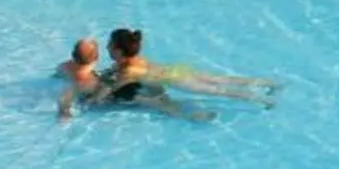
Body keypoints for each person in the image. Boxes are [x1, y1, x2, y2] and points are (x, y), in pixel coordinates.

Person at [106, 26, 278, 109]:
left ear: (119, 51)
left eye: (109, 45)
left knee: (220, 91)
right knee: (222, 79)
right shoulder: (137, 59)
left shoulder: (127, 72)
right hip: (179, 70)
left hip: (179, 80)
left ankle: (264, 100)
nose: (107, 48)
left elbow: (109, 90)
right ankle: (269, 83)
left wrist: (92, 100)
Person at [54, 37, 103, 121]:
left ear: (73, 55)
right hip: (80, 96)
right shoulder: (90, 79)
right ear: (96, 58)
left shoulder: (64, 66)